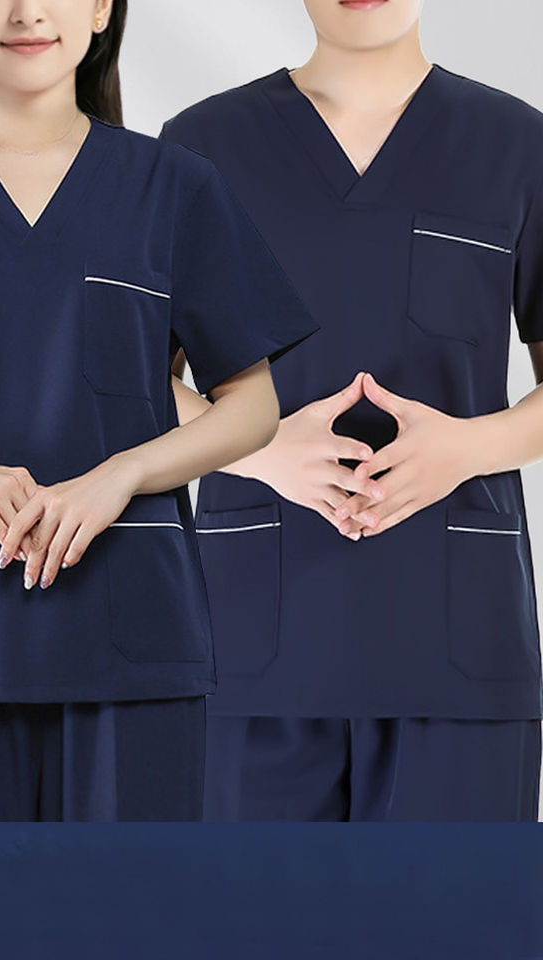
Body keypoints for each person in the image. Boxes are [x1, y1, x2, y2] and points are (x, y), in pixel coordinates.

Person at [0, 0, 321, 821]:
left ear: (100, 10)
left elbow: (252, 406)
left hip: (135, 640)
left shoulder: (175, 189)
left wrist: (123, 474)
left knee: (130, 901)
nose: (28, 12)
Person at [160, 0, 543, 821]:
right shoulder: (201, 146)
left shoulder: (518, 144)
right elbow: (128, 372)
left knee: (454, 904)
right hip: (248, 648)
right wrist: (258, 448)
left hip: (457, 650)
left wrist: (469, 447)